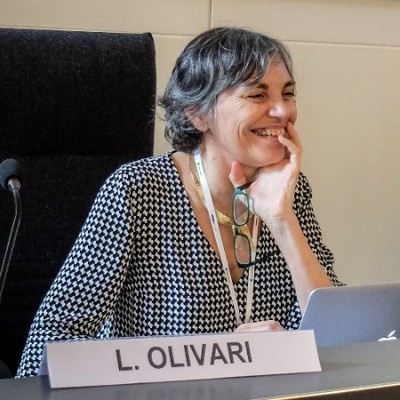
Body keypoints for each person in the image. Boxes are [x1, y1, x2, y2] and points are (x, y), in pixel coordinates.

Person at [17, 27, 343, 377]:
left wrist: (281, 219)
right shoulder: (138, 189)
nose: (283, 111)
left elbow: (338, 335)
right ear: (197, 114)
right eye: (257, 95)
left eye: (288, 93)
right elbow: (52, 339)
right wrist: (221, 357)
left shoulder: (290, 189)